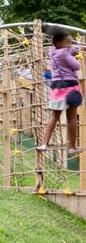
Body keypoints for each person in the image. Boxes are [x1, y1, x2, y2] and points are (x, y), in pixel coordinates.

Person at [37, 27, 84, 156]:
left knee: (54, 116)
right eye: (67, 42)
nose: (70, 45)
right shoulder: (64, 53)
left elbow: (69, 51)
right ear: (61, 43)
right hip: (70, 86)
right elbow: (76, 66)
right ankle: (72, 147)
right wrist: (73, 54)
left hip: (57, 87)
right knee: (72, 118)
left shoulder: (51, 51)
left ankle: (44, 143)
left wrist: (74, 49)